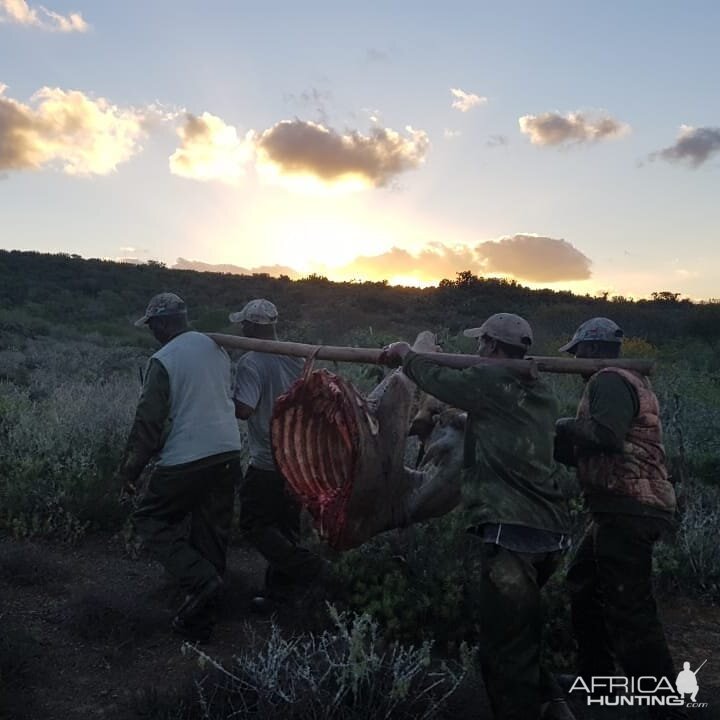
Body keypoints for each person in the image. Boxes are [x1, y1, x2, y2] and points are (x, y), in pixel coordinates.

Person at [382, 313, 574, 720]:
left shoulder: (490, 381)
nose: (475, 350)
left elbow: (440, 382)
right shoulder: (540, 392)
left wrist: (406, 356)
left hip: (511, 537)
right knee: (522, 629)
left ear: (490, 345)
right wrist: (461, 420)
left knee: (502, 649)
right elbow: (503, 423)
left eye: (479, 344)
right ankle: (553, 704)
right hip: (551, 533)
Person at [555, 317, 683, 719]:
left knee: (629, 607)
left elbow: (608, 437)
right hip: (620, 505)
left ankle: (662, 703)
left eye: (577, 354)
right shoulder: (629, 381)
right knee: (584, 584)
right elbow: (602, 443)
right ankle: (595, 679)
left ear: (591, 351)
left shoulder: (608, 380)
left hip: (629, 506)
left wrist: (562, 425)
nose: (576, 363)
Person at [114, 292, 242, 642]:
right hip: (228, 450)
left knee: (149, 519)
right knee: (211, 532)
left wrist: (130, 471)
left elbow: (148, 423)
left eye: (154, 325)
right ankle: (202, 621)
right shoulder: (216, 348)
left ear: (166, 323)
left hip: (189, 455)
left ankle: (200, 581)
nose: (152, 332)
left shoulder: (163, 359)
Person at [230, 299, 326, 611]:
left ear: (251, 326)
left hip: (268, 460)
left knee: (254, 524)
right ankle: (281, 597)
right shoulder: (296, 356)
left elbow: (244, 409)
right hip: (299, 460)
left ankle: (310, 568)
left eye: (244, 323)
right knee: (286, 526)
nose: (241, 328)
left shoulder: (251, 362)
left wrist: (222, 398)